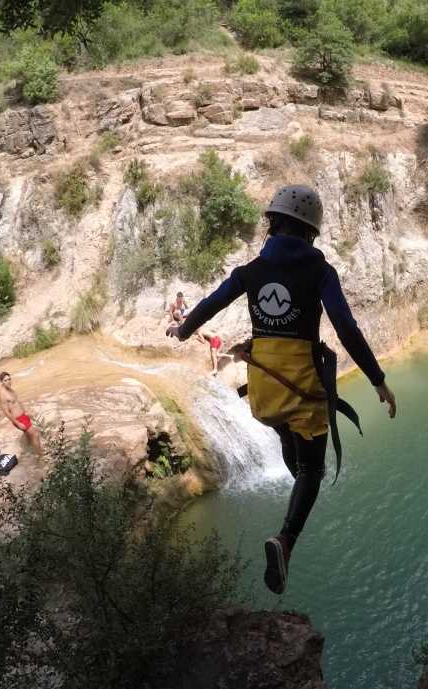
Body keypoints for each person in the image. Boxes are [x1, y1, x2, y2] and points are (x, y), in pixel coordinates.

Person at [166, 184, 397, 595]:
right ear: (312, 232)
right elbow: (345, 326)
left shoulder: (250, 272)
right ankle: (285, 539)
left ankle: (295, 487)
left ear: (272, 224)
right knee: (312, 470)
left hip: (264, 390)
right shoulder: (321, 273)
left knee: (284, 431)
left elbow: (210, 303)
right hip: (304, 389)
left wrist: (182, 330)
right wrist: (377, 379)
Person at [0, 372, 42, 454]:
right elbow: (7, 413)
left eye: (9, 379)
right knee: (36, 435)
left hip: (24, 415)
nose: (8, 382)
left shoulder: (10, 389)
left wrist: (26, 411)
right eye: (5, 380)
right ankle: (41, 455)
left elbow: (17, 402)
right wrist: (18, 423)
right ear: (1, 382)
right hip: (19, 419)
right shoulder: (3, 396)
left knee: (28, 435)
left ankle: (32, 451)